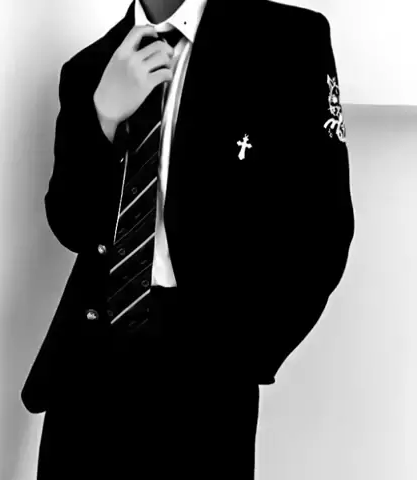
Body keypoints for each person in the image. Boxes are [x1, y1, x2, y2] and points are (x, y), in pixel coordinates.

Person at [21, 0, 355, 478]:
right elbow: (71, 223)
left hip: (207, 373)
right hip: (89, 366)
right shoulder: (90, 67)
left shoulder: (288, 41)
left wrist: (240, 357)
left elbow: (323, 227)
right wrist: (102, 118)